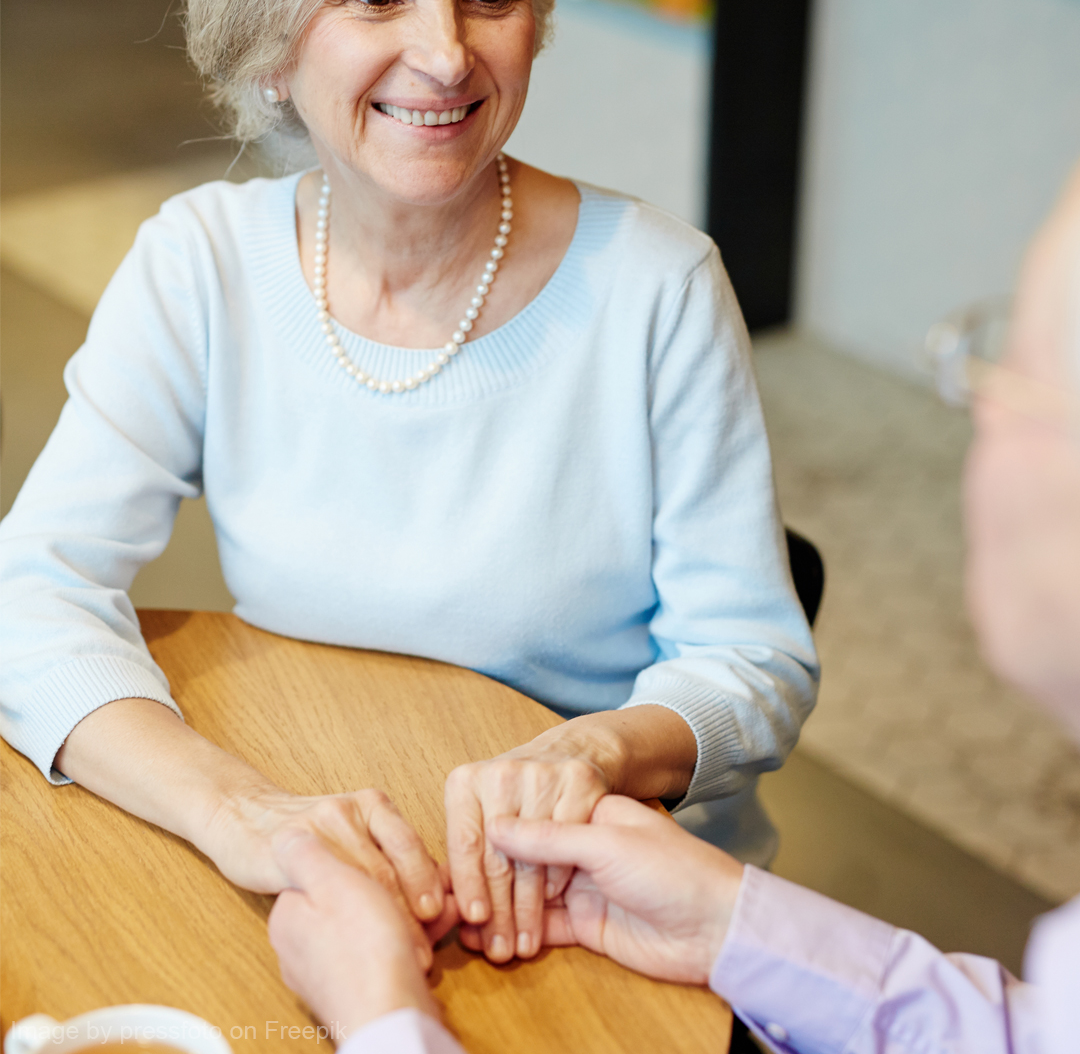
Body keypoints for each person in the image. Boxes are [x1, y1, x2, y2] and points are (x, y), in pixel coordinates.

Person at [0, 0, 817, 966]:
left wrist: (599, 747)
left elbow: (754, 663)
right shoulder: (200, 263)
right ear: (271, 51)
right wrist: (239, 811)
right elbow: (31, 590)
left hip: (595, 901)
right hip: (329, 843)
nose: (445, 53)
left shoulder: (657, 287)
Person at [263, 168, 1080, 1052]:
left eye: (1017, 370)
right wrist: (729, 921)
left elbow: (747, 654)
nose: (980, 416)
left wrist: (382, 1016)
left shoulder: (661, 280)